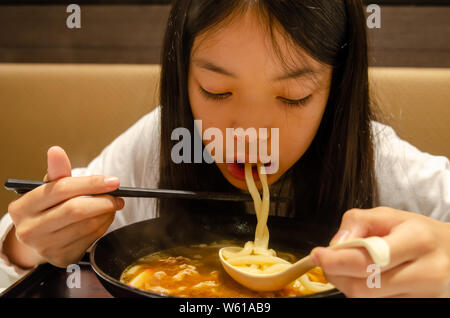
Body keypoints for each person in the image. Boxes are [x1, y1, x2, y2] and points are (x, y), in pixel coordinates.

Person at [0, 0, 449, 297]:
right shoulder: (161, 146)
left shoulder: (388, 169)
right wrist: (27, 247)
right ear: (183, 79)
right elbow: (20, 249)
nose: (251, 134)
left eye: (293, 97)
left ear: (336, 89)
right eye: (216, 90)